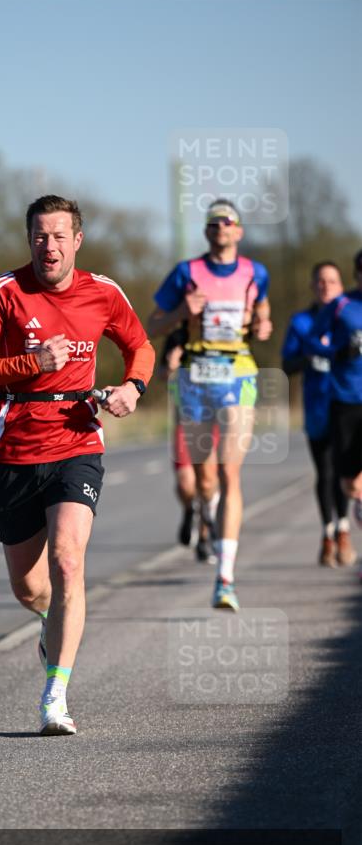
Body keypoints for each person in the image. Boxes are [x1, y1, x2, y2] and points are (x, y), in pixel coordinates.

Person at [0, 195, 155, 735]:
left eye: (60, 236)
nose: (50, 246)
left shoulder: (103, 292)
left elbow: (140, 347)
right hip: (14, 447)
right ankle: (50, 620)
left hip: (78, 438)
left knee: (68, 560)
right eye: (41, 236)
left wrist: (133, 388)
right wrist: (32, 363)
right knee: (29, 587)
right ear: (29, 240)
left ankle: (55, 692)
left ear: (77, 240)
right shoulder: (5, 292)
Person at [147, 199, 272, 611]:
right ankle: (206, 510)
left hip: (238, 374)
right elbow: (153, 324)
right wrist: (183, 311)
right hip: (195, 377)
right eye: (214, 221)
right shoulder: (186, 272)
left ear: (239, 231)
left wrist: (264, 323)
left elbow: (263, 313)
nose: (221, 226)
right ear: (207, 232)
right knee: (204, 481)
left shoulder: (256, 273)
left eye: (228, 221)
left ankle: (225, 577)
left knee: (229, 472)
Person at [282, 262, 355, 567]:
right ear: (313, 286)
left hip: (348, 404)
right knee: (325, 472)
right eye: (320, 281)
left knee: (345, 472)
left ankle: (343, 529)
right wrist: (312, 356)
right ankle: (328, 533)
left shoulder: (350, 317)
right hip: (317, 408)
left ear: (341, 286)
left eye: (332, 281)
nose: (326, 286)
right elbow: (288, 365)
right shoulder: (301, 323)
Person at [305, 249, 362, 557]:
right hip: (346, 401)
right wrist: (337, 351)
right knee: (349, 484)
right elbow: (313, 340)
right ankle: (346, 519)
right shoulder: (341, 305)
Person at [159, 326, 219, 563]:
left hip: (215, 419)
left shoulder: (220, 331)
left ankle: (204, 539)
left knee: (206, 482)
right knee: (186, 484)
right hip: (185, 422)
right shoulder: (176, 336)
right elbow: (162, 374)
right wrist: (170, 368)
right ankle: (189, 510)